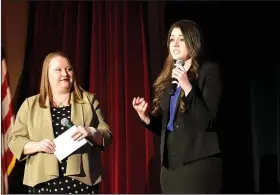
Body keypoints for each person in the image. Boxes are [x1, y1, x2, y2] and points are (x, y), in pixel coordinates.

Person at [132, 20, 223, 193]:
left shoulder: (209, 72)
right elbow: (172, 126)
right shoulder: (169, 79)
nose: (174, 43)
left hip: (198, 164)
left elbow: (207, 121)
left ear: (192, 42)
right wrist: (147, 118)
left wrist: (188, 87)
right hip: (170, 169)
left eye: (181, 39)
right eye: (171, 39)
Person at [8, 52, 112, 194]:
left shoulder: (88, 100)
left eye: (69, 69)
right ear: (47, 75)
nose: (65, 73)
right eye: (58, 70)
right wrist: (38, 146)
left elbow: (106, 134)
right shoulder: (30, 104)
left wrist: (91, 132)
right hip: (42, 183)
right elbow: (15, 140)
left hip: (81, 183)